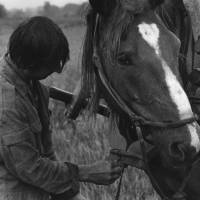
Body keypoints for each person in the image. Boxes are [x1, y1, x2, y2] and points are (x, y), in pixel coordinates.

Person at [0, 16, 123, 200]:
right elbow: (30, 168)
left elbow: (47, 154)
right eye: (52, 65)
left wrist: (71, 195)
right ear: (30, 64)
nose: (57, 71)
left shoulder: (35, 87)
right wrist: (86, 172)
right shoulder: (7, 104)